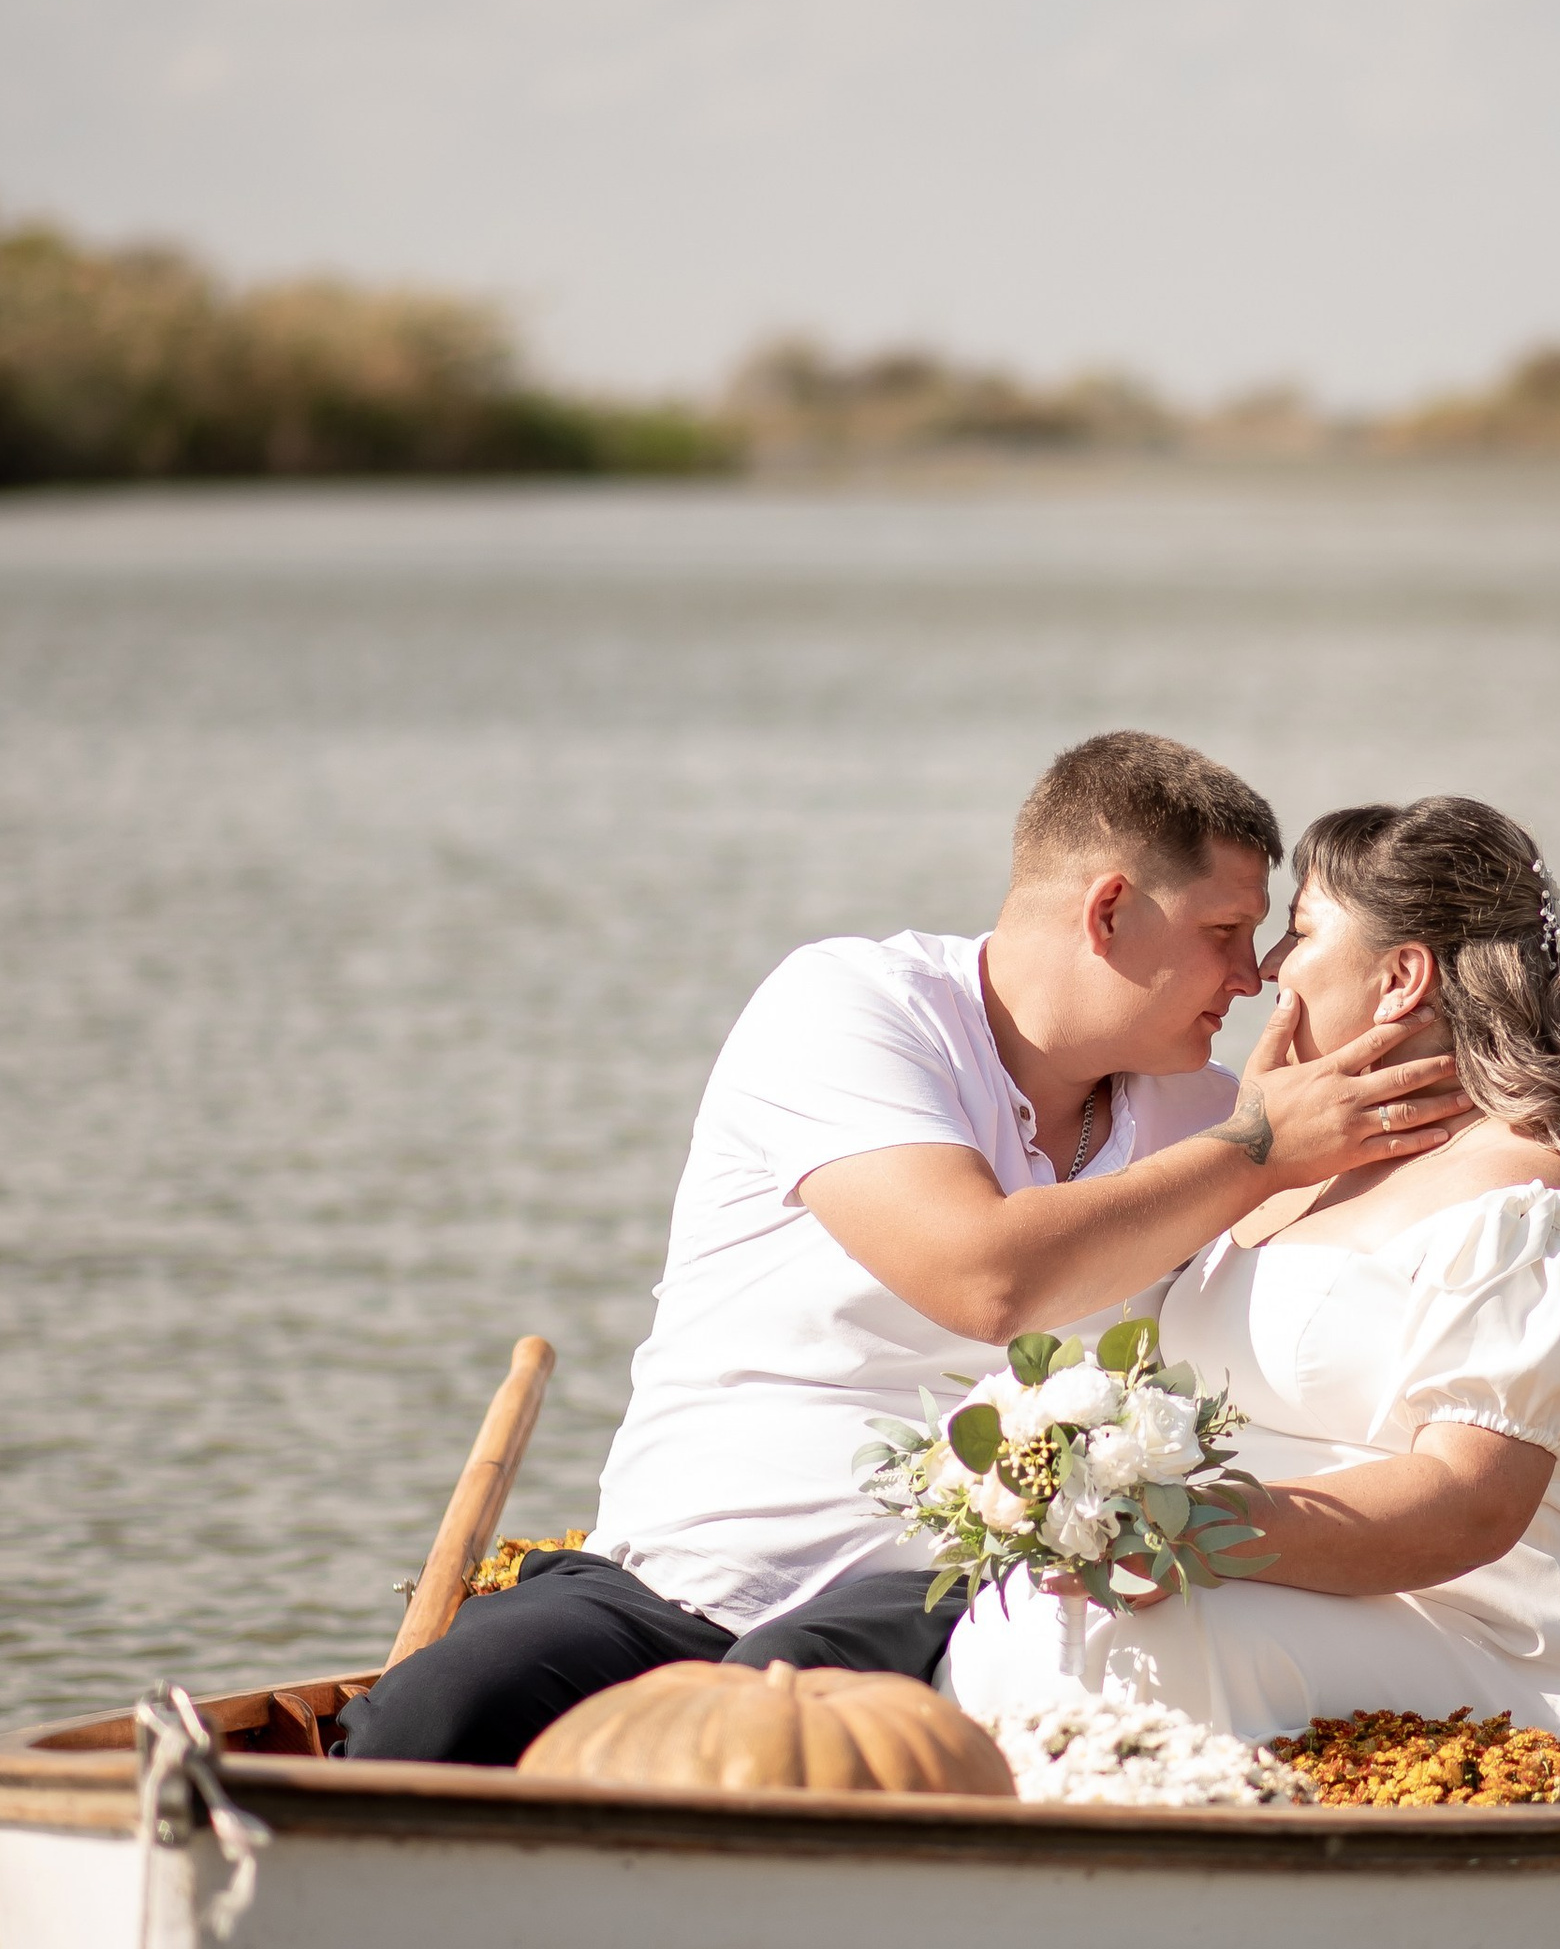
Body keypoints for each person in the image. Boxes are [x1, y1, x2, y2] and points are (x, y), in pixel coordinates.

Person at [337, 733, 1469, 1765]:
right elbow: (983, 1277)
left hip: (967, 1607)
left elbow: (1440, 1203)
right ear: (1109, 910)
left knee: (778, 1715)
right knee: (427, 1720)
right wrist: (1259, 1149)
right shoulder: (851, 1008)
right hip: (669, 1586)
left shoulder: (1220, 1118)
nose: (1253, 975)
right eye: (1225, 932)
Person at [946, 795, 1560, 1753]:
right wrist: (1252, 1141)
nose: (1265, 969)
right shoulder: (1284, 1164)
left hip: (1490, 1636)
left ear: (1401, 978)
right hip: (1272, 1589)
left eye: (1298, 933)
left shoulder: (1523, 1188)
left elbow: (1472, 1503)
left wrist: (1185, 1530)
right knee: (1026, 1616)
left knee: (1134, 1649)